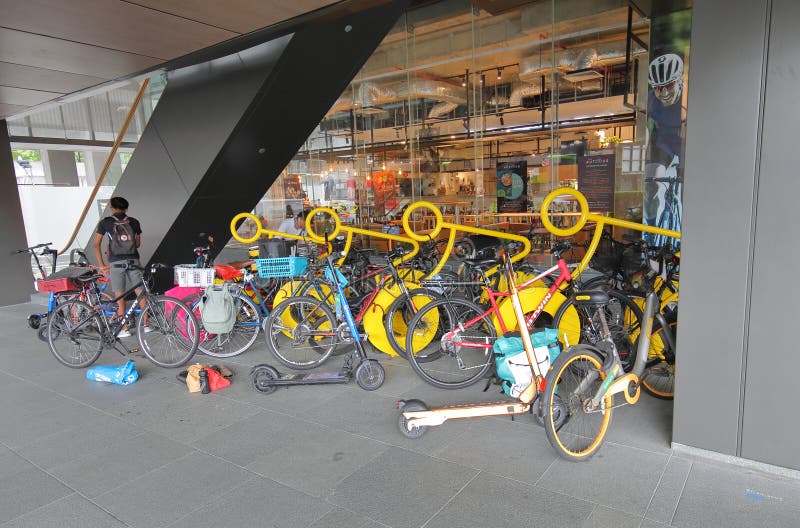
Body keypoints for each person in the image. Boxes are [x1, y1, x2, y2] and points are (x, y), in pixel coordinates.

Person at [644, 52, 685, 247]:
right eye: (658, 88)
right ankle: (651, 233)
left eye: (669, 86)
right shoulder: (652, 100)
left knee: (686, 189)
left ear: (679, 81)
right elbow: (647, 132)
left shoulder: (688, 98)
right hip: (664, 140)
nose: (664, 93)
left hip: (684, 137)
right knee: (652, 183)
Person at [93, 196, 146, 337]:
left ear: (112, 208)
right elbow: (137, 244)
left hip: (116, 263)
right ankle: (146, 325)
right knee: (140, 291)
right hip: (134, 261)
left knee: (119, 294)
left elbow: (96, 244)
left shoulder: (105, 223)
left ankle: (124, 328)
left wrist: (102, 265)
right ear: (126, 208)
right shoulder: (134, 222)